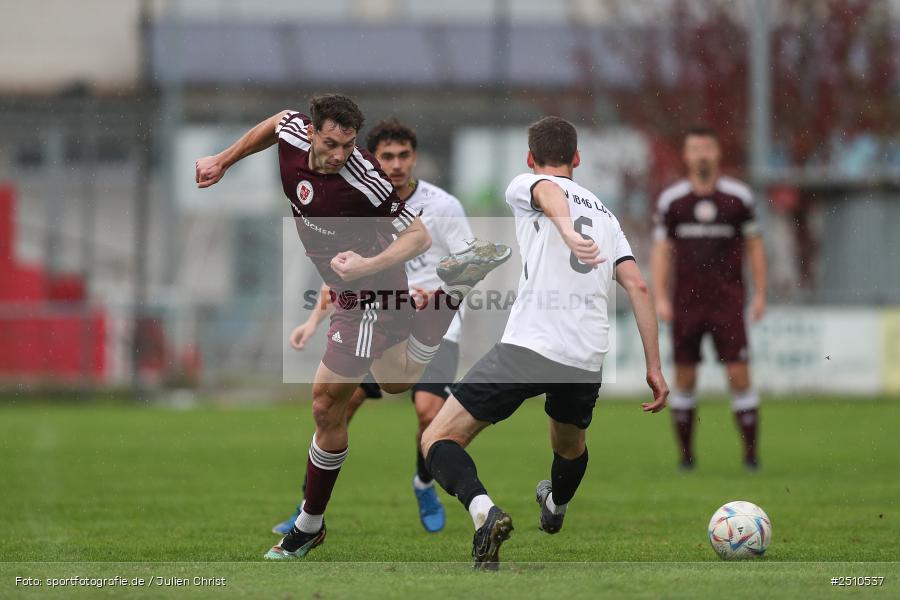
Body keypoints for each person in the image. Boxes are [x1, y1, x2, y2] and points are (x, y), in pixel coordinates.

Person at [195, 94, 511, 560]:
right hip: (354, 291)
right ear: (312, 132)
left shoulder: (365, 178)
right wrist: (223, 160)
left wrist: (365, 266)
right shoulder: (293, 131)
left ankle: (308, 525)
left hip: (368, 292)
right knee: (392, 382)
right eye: (331, 144)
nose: (340, 154)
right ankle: (447, 297)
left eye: (348, 145)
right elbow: (275, 122)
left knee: (327, 403)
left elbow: (419, 236)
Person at [419, 116, 669, 569]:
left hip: (529, 347)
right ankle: (555, 506)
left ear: (530, 158)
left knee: (437, 437)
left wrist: (567, 230)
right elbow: (638, 285)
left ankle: (485, 514)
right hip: (585, 358)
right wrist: (654, 366)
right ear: (578, 158)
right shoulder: (607, 216)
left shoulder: (527, 184)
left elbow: (548, 191)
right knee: (569, 446)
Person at [272, 118, 474, 535]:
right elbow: (345, 271)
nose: (396, 165)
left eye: (404, 156)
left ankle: (423, 484)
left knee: (429, 412)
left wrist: (435, 293)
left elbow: (470, 260)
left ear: (414, 158)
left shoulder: (443, 206)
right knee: (334, 408)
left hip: (429, 325)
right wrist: (313, 321)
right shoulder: (359, 198)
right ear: (372, 160)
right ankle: (307, 506)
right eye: (387, 157)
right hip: (376, 318)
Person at [650, 126, 768, 471]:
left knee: (739, 376)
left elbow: (755, 246)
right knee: (685, 378)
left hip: (727, 303)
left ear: (717, 154)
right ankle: (686, 458)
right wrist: (660, 296)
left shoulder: (738, 198)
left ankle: (751, 457)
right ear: (686, 156)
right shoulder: (672, 201)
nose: (701, 154)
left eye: (707, 148)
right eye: (695, 149)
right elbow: (661, 250)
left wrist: (760, 294)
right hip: (686, 304)